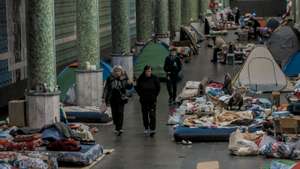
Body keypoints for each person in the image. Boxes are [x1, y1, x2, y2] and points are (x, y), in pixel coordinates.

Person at [102, 65, 133, 136]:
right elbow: (106, 88)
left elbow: (128, 87)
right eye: (116, 71)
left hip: (121, 98)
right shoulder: (110, 78)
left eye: (119, 71)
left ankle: (119, 128)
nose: (117, 72)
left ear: (121, 72)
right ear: (113, 72)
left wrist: (130, 83)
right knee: (114, 113)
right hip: (112, 98)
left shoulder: (124, 78)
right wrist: (104, 97)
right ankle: (116, 125)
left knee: (120, 112)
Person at [135, 65, 160, 137]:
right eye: (147, 71)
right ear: (145, 71)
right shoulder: (141, 78)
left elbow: (158, 88)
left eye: (150, 71)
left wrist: (155, 96)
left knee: (152, 115)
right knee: (145, 115)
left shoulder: (155, 78)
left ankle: (152, 129)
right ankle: (146, 127)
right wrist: (141, 95)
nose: (149, 72)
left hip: (152, 100)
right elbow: (138, 88)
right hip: (143, 100)